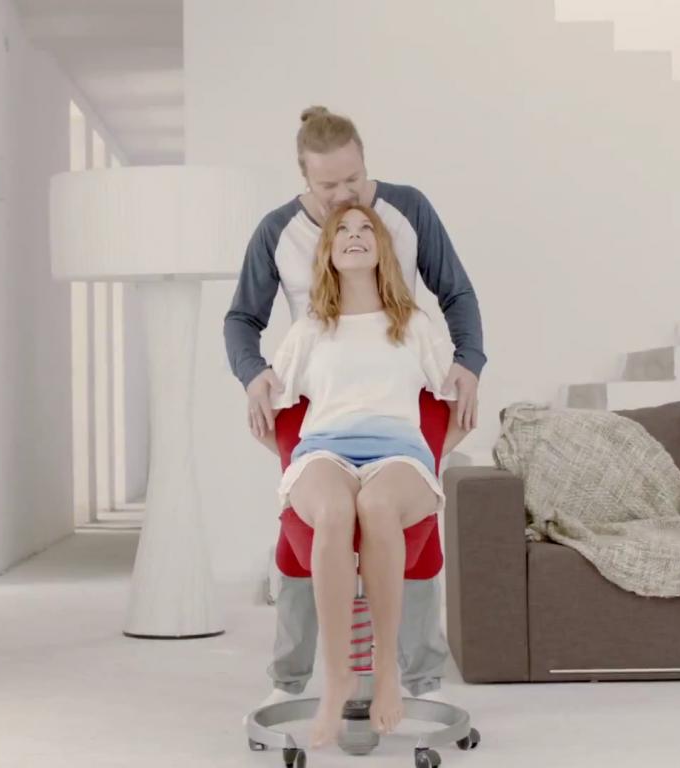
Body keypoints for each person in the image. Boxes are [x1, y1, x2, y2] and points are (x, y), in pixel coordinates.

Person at [224, 106, 487, 739]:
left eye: (355, 180)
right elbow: (242, 320)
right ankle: (299, 674)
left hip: (398, 393)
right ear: (304, 178)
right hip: (318, 396)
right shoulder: (278, 234)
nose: (346, 198)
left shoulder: (406, 212)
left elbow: (455, 293)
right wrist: (254, 377)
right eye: (329, 187)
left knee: (398, 516)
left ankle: (416, 672)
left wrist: (469, 366)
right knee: (310, 522)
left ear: (366, 162)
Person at [262, 201, 469, 747]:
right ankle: (337, 679)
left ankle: (385, 672)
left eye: (366, 229)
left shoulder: (413, 325)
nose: (355, 235)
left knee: (376, 506)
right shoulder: (310, 329)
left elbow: (457, 404)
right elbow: (271, 410)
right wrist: (285, 453)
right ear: (328, 251)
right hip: (324, 452)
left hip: (398, 454)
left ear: (382, 249)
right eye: (342, 230)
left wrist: (432, 456)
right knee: (334, 509)